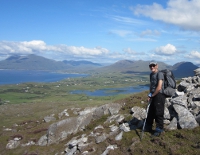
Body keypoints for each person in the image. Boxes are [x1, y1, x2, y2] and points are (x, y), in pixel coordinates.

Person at [145, 61, 166, 136]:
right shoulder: (151, 74)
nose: (152, 67)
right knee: (150, 111)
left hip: (159, 95)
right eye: (151, 66)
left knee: (159, 112)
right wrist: (149, 95)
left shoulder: (160, 74)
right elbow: (151, 86)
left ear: (157, 66)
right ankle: (148, 126)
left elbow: (159, 87)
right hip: (153, 95)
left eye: (153, 65)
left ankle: (159, 129)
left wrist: (153, 95)